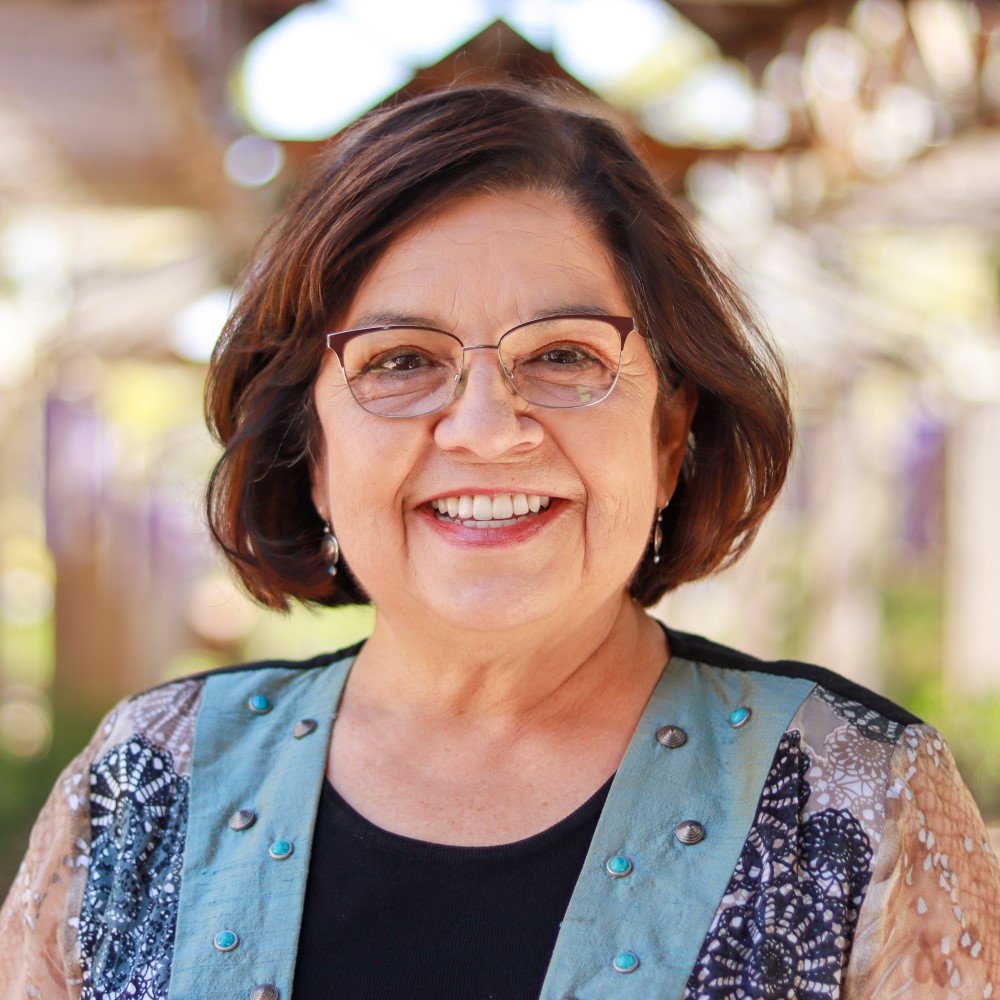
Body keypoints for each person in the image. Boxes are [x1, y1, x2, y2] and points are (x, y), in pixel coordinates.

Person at [1, 83, 997, 1000]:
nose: (486, 426)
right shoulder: (142, 781)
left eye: (564, 356)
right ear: (307, 451)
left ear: (667, 434)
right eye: (399, 360)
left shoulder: (859, 792)